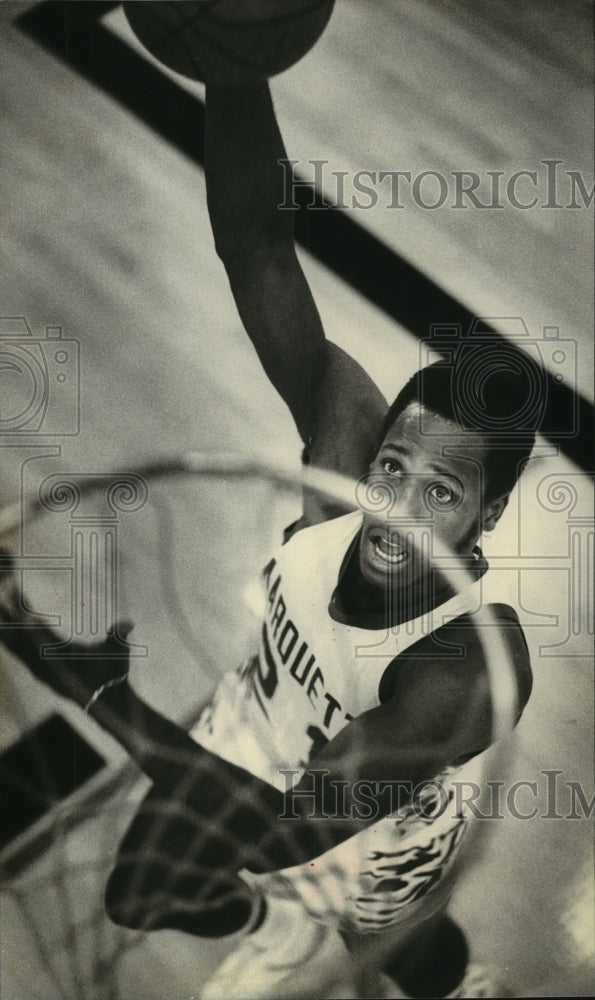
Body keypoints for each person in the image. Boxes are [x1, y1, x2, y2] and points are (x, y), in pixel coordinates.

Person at [0, 77, 536, 1000]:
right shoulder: (341, 470)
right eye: (392, 468)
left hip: (361, 837)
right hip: (251, 736)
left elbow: (288, 823)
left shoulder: (462, 670)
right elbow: (258, 249)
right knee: (140, 896)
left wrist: (79, 675)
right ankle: (270, 923)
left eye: (441, 491)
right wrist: (235, 62)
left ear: (484, 518)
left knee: (408, 947)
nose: (393, 510)